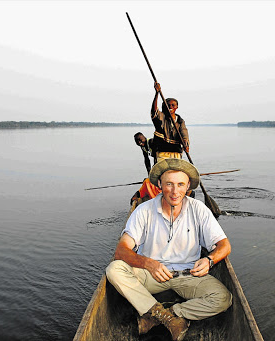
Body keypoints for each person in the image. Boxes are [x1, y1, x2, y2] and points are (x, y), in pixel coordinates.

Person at [106, 158, 232, 341]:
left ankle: (169, 314)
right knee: (114, 269)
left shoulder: (199, 209)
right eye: (169, 184)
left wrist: (209, 260)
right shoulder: (143, 210)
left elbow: (224, 245)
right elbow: (121, 251)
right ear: (159, 185)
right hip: (150, 274)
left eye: (181, 184)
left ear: (188, 186)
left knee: (223, 298)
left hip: (189, 274)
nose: (175, 191)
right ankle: (160, 314)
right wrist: (148, 263)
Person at [151, 82, 190, 162]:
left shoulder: (180, 121)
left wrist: (185, 143)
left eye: (173, 105)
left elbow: (184, 132)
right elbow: (154, 111)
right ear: (164, 107)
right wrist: (157, 93)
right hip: (162, 151)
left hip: (175, 151)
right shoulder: (162, 117)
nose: (170, 107)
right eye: (168, 105)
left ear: (176, 107)